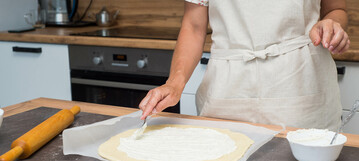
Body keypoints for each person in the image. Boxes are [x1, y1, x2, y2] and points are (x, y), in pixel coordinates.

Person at [139, 0, 350, 130]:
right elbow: (194, 25)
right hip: (227, 88)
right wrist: (174, 83)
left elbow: (337, 9)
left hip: (299, 81)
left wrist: (332, 24)